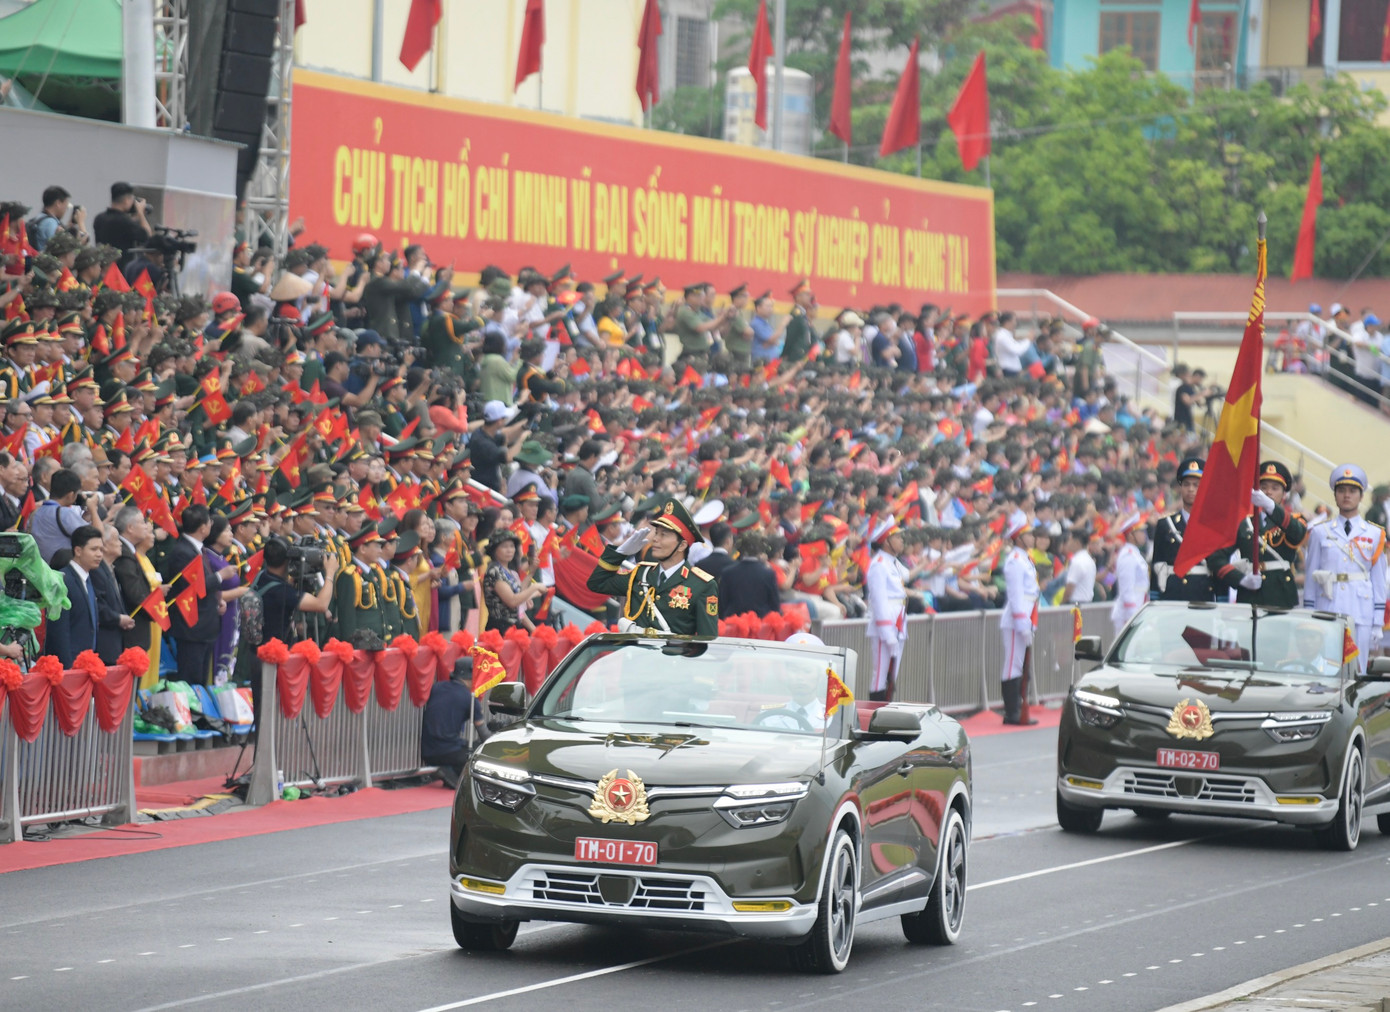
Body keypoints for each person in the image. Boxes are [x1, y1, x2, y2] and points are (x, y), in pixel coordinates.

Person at [587, 497, 719, 636]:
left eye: (664, 534)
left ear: (682, 545)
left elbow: (707, 640)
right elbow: (597, 583)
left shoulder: (702, 585)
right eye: (656, 533)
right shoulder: (641, 573)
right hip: (635, 655)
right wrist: (619, 553)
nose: (655, 539)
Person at [1302, 464, 1387, 672]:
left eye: (1352, 491)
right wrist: (1308, 615)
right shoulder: (1320, 532)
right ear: (1335, 495)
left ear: (1361, 495)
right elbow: (1311, 577)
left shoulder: (1375, 534)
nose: (1347, 496)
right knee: (1326, 667)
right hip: (1327, 607)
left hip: (1361, 610)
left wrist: (1377, 621)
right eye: (1341, 491)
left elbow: (1378, 580)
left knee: (1357, 669)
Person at [1206, 461, 1307, 609]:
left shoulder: (1295, 519)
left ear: (1284, 493)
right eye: (1263, 488)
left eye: (1275, 488)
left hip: (1280, 595)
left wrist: (1271, 506)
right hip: (1250, 595)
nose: (1268, 492)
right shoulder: (1244, 523)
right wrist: (1241, 579)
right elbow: (1216, 558)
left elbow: (1297, 533)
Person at [161, 505, 222, 686]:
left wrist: (217, 601)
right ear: (203, 527)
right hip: (191, 628)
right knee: (190, 681)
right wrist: (220, 576)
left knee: (200, 682)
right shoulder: (183, 552)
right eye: (209, 522)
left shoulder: (197, 549)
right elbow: (194, 587)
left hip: (205, 627)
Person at [1149, 457, 1214, 601]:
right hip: (1173, 594)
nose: (1190, 489)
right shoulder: (1165, 524)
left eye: (1196, 485)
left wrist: (1222, 600)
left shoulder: (1212, 526)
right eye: (1186, 484)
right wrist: (1154, 600)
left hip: (1202, 593)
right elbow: (1157, 564)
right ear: (1180, 487)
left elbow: (1218, 567)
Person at [420, 656, 488, 789]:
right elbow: (484, 735)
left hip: (427, 752)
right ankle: (450, 774)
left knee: (466, 746)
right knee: (480, 753)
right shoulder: (469, 699)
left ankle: (448, 772)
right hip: (449, 752)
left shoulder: (437, 688)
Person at [1000, 512, 1040, 725]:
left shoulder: (1025, 559)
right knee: (1013, 665)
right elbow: (1015, 596)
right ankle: (1012, 711)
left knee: (1021, 665)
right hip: (1017, 620)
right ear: (1018, 537)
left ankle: (1018, 708)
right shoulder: (1015, 561)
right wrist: (1022, 622)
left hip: (1027, 617)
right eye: (1028, 534)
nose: (1033, 537)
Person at [45, 524, 104, 667]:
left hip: (86, 662)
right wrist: (67, 667)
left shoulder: (89, 579)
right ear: (78, 550)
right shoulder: (63, 580)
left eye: (101, 549)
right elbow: (59, 630)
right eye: (93, 549)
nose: (99, 554)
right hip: (69, 666)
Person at [865, 518, 910, 703]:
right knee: (881, 672)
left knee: (892, 673)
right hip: (886, 621)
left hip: (898, 617)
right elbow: (879, 600)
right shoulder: (878, 564)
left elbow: (906, 574)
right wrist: (887, 633)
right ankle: (876, 712)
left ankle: (887, 709)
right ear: (886, 541)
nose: (902, 541)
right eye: (897, 537)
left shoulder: (892, 562)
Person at [28, 467, 101, 564]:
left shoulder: (35, 513)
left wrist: (85, 517)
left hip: (40, 567)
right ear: (71, 495)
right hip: (61, 568)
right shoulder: (65, 513)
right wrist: (92, 509)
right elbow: (97, 535)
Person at [718, 532, 781, 618]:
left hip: (733, 623)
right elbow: (775, 606)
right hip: (761, 623)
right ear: (761, 550)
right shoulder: (768, 573)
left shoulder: (727, 572)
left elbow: (722, 604)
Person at [91, 182, 152, 265]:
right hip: (120, 272)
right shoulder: (126, 222)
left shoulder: (99, 218)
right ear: (126, 201)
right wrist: (141, 214)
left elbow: (118, 224)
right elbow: (147, 236)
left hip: (102, 268)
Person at [1110, 513, 1149, 631]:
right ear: (1131, 535)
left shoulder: (1135, 553)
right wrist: (1133, 618)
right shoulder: (1127, 555)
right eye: (1140, 532)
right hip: (1129, 614)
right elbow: (1127, 590)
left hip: (1139, 608)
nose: (1144, 535)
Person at [1062, 528, 1096, 604]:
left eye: (1069, 540)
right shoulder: (1089, 560)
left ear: (1076, 543)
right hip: (1088, 602)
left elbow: (1070, 587)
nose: (1067, 543)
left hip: (1076, 604)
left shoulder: (1077, 561)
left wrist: (1062, 603)